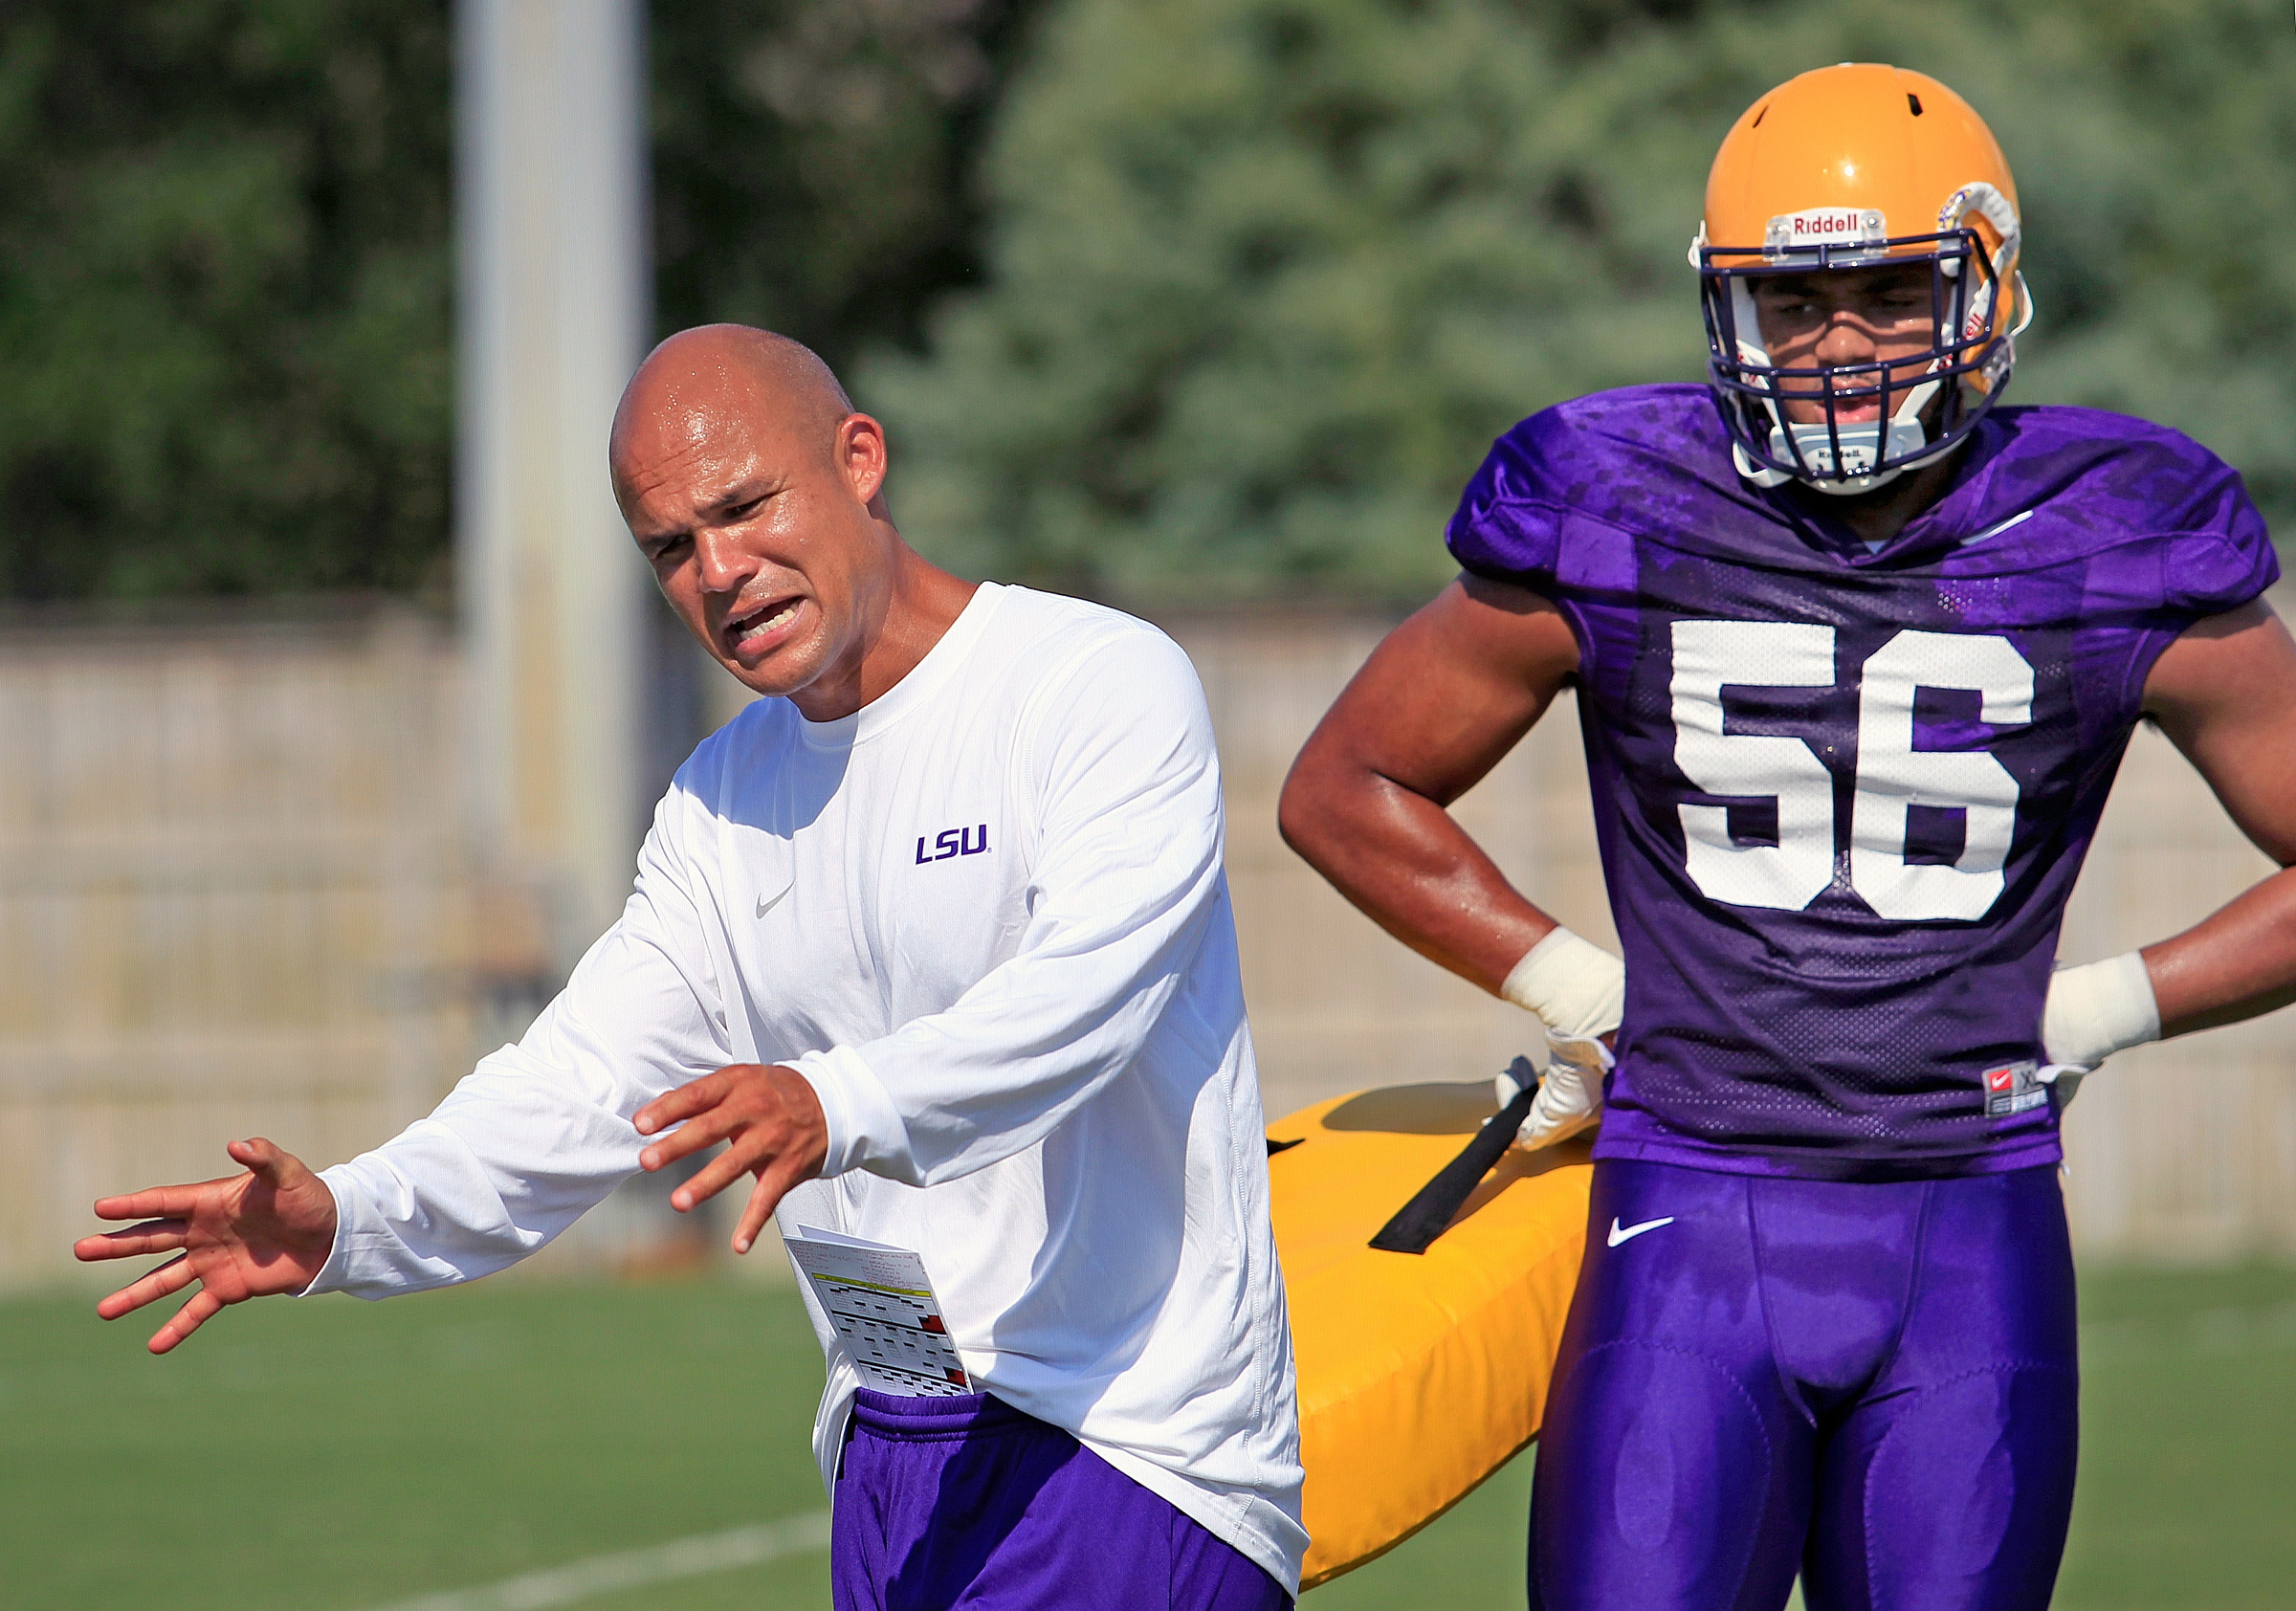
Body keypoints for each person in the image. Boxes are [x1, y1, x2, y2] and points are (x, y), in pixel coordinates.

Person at [76, 325, 1306, 1610]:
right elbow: (585, 1080)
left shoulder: (1092, 684)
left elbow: (1087, 999)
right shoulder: (723, 800)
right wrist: (356, 1214)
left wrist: (837, 1104)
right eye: (671, 546)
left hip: (1128, 1450)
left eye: (745, 505)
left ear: (860, 460)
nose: (721, 569)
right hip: (890, 1453)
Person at [1279, 63, 2296, 1611]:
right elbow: (1346, 787)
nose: (1837, 343)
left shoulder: (2109, 526)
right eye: (1793, 299)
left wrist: (2105, 1006)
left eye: (1890, 290)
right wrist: (1578, 986)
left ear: (1986, 284)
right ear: (1727, 307)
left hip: (1970, 1207)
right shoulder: (1620, 502)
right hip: (1688, 1196)